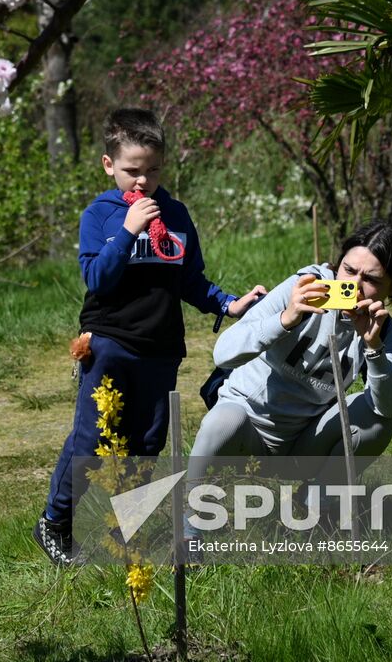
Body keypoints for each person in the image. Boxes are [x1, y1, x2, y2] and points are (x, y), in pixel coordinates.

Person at [33, 108, 265, 566]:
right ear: (109, 165)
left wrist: (227, 304)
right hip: (110, 342)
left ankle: (123, 533)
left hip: (160, 348)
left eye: (152, 171)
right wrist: (127, 230)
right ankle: (55, 522)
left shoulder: (176, 214)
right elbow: (97, 277)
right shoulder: (100, 215)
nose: (142, 182)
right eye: (132, 171)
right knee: (94, 440)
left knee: (149, 442)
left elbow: (189, 279)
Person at [184, 219, 392, 539]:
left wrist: (373, 349)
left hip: (303, 444)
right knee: (221, 419)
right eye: (348, 270)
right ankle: (192, 527)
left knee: (379, 422)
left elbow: (388, 407)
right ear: (337, 264)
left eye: (371, 279)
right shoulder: (303, 288)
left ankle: (313, 508)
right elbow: (223, 354)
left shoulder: (384, 331)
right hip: (245, 435)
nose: (355, 285)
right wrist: (285, 319)